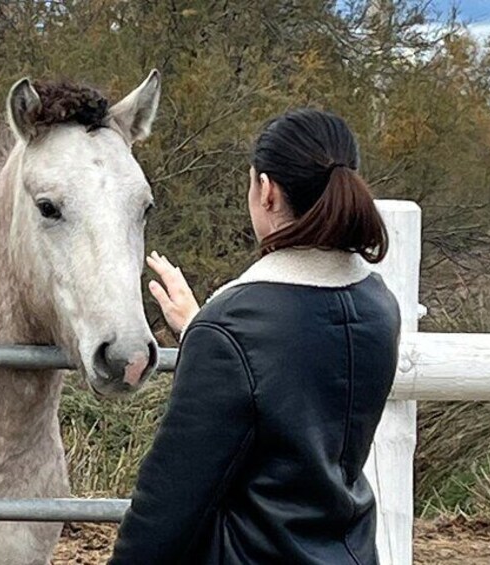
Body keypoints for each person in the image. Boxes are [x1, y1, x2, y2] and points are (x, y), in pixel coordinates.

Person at [109, 108, 401, 564]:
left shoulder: (234, 327)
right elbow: (291, 383)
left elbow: (168, 504)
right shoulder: (378, 303)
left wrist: (212, 332)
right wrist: (201, 330)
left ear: (266, 191)